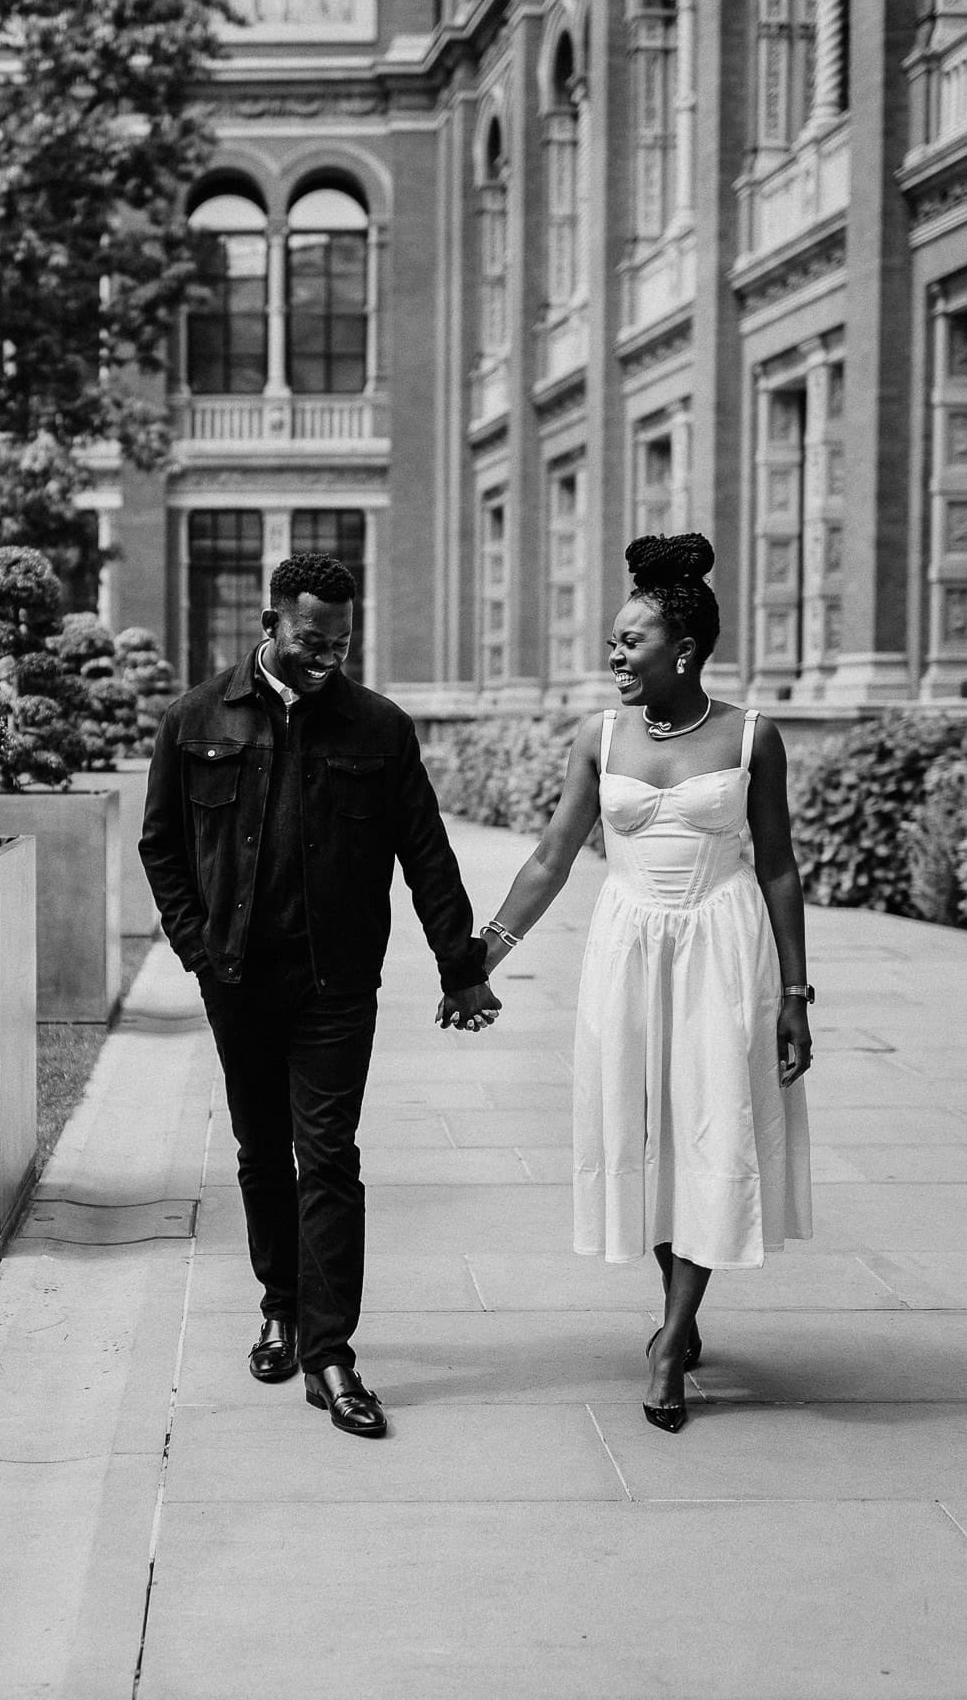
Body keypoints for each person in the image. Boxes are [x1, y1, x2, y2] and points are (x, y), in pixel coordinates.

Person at [139, 551, 499, 1439]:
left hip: (336, 981)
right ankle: (280, 1305)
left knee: (328, 1153)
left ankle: (329, 1352)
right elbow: (162, 847)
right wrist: (195, 948)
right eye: (310, 640)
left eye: (340, 641)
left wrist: (462, 966)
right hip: (236, 976)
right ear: (270, 625)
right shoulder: (193, 718)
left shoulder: (378, 727)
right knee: (262, 1151)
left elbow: (425, 852)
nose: (327, 656)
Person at [477, 533, 813, 1433]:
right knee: (648, 1129)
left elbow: (778, 868)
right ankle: (680, 1307)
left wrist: (794, 995)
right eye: (616, 641)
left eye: (631, 642)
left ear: (685, 651)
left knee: (712, 1123)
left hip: (722, 948)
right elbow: (551, 856)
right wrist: (484, 952)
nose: (613, 656)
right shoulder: (601, 735)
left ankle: (670, 1340)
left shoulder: (753, 736)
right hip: (627, 949)